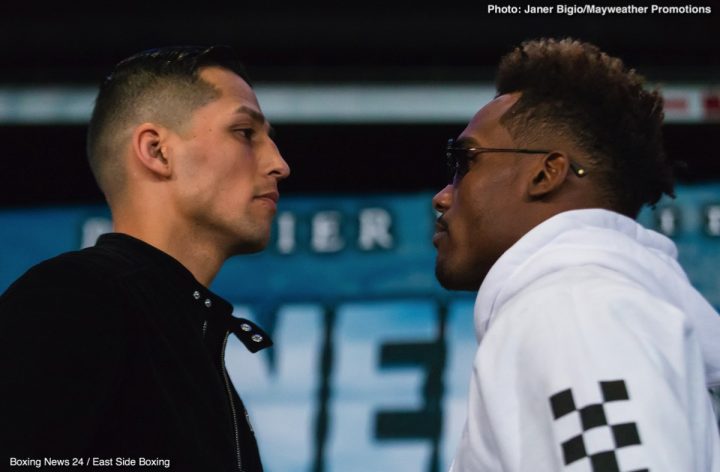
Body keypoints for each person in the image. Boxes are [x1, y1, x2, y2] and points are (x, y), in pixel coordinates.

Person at [432, 37, 720, 471]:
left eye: (465, 161)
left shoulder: (574, 308)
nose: (443, 195)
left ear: (546, 173)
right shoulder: (599, 305)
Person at [0, 46, 289, 471]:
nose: (280, 164)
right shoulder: (74, 297)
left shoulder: (182, 335)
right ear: (156, 151)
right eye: (245, 132)